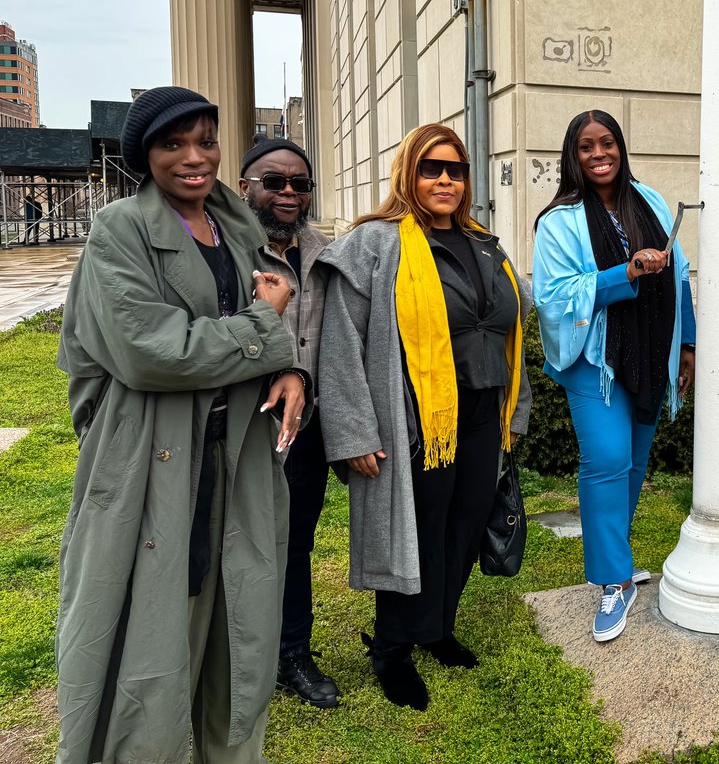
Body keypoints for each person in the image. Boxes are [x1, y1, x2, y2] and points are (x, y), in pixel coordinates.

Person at [55, 86, 310, 764]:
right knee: (150, 645)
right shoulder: (120, 230)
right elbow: (149, 351)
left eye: (206, 140)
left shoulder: (236, 226)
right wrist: (263, 330)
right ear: (146, 154)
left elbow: (273, 327)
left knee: (241, 634)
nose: (195, 158)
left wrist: (291, 372)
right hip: (152, 467)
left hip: (239, 462)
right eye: (174, 144)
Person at [318, 123, 530, 711]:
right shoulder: (376, 244)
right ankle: (392, 649)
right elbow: (340, 344)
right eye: (431, 168)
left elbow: (506, 329)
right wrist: (354, 431)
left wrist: (518, 410)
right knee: (417, 534)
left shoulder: (485, 244)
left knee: (465, 525)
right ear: (407, 174)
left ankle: (436, 628)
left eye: (455, 170)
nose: (445, 180)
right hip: (415, 419)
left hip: (482, 410)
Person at [533, 109, 696, 643]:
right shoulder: (558, 220)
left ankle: (618, 562)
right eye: (587, 146)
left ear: (621, 148)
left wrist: (688, 343)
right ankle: (612, 579)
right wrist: (623, 273)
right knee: (605, 460)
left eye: (608, 143)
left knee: (634, 462)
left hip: (651, 352)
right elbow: (553, 297)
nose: (599, 154)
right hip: (594, 360)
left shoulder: (648, 200)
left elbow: (680, 272)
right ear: (572, 156)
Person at [239, 136, 339, 709]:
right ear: (245, 183)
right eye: (273, 181)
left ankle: (292, 653)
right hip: (241, 424)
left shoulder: (327, 252)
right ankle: (234, 659)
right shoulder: (226, 250)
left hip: (305, 429)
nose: (287, 193)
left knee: (294, 543)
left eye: (299, 184)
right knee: (238, 543)